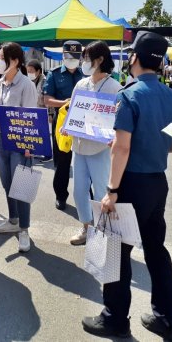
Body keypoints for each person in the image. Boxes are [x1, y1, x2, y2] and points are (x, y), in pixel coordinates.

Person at [82, 32, 172, 339]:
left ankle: (114, 318)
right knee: (156, 250)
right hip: (158, 182)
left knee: (116, 251)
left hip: (130, 184)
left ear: (135, 58)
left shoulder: (129, 95)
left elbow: (121, 147)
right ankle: (167, 319)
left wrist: (111, 190)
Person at [65, 41, 122, 246]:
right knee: (79, 191)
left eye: (87, 58)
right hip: (79, 147)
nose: (83, 62)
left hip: (100, 149)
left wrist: (113, 136)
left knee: (100, 192)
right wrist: (67, 125)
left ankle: (103, 232)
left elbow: (120, 120)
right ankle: (86, 227)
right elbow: (72, 112)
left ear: (99, 60)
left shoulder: (115, 87)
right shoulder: (81, 84)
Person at [0, 42, 38, 252]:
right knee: (7, 183)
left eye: (1, 57)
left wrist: (28, 145)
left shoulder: (26, 84)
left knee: (22, 187)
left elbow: (30, 116)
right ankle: (13, 220)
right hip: (1, 142)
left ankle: (24, 229)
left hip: (20, 142)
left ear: (15, 60)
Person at [43, 41, 84, 210]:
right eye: (68, 56)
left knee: (84, 161)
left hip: (83, 122)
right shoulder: (54, 74)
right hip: (62, 123)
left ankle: (86, 196)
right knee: (62, 162)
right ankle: (61, 195)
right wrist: (65, 102)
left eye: (75, 57)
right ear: (63, 56)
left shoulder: (85, 75)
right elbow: (47, 100)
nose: (71, 60)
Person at [26, 59, 52, 162]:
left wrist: (50, 113)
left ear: (39, 71)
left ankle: (48, 154)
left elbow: (48, 97)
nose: (30, 73)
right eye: (28, 71)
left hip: (43, 110)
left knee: (44, 133)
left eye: (32, 70)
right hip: (33, 110)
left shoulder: (45, 81)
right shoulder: (29, 81)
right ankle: (35, 151)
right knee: (35, 133)